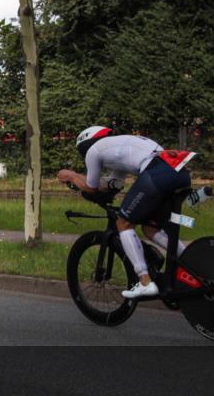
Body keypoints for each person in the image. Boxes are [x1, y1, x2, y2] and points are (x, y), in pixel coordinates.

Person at [57, 126, 194, 299]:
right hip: (179, 173)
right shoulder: (120, 147)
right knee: (150, 229)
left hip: (156, 174)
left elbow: (92, 187)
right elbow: (114, 184)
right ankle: (193, 263)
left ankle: (145, 282)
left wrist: (71, 176)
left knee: (123, 223)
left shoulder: (94, 150)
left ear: (85, 144)